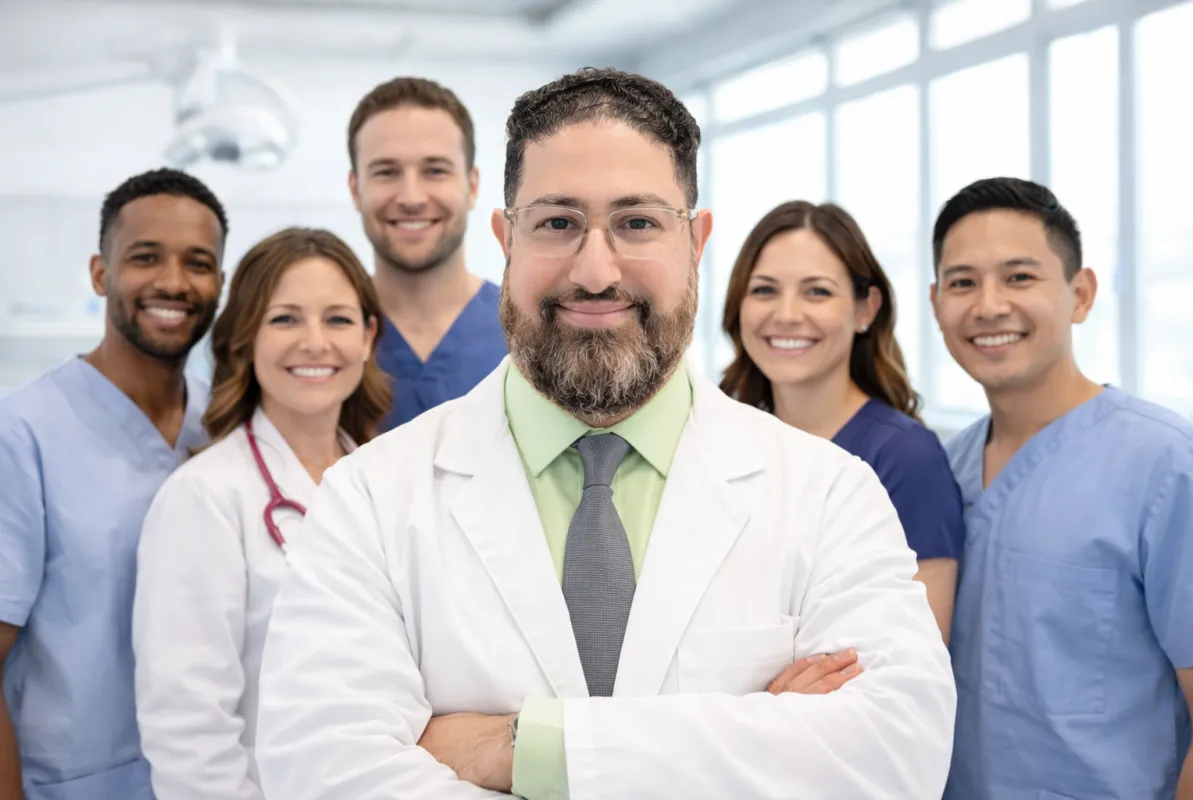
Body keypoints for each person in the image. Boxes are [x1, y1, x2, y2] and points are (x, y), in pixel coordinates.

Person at [254, 67, 956, 800]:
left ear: (697, 241)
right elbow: (319, 772)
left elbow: (896, 754)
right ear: (505, 238)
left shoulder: (828, 493)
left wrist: (520, 747)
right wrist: (753, 734)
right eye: (557, 222)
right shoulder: (367, 499)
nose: (595, 271)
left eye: (638, 222)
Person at [931, 177, 1193, 799]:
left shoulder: (1166, 465)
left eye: (1019, 277)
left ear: (1080, 295)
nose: (989, 305)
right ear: (936, 301)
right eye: (963, 282)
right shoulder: (944, 468)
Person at [131, 227, 391, 799]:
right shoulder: (203, 499)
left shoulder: (387, 485)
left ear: (370, 337)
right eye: (285, 319)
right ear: (245, 339)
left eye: (339, 319)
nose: (315, 342)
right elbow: (188, 731)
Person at [0, 168, 226, 799]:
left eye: (198, 263)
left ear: (221, 284)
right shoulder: (21, 435)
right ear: (101, 273)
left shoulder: (229, 429)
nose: (173, 283)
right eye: (145, 257)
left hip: (210, 780)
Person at [720, 200, 964, 643]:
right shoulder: (724, 446)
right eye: (764, 290)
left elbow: (914, 659)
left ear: (865, 309)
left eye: (817, 291)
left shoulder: (907, 458)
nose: (787, 314)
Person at [348, 76, 508, 430]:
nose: (411, 198)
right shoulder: (326, 339)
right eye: (386, 172)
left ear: (472, 186)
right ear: (355, 189)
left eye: (435, 170)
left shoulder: (527, 334)